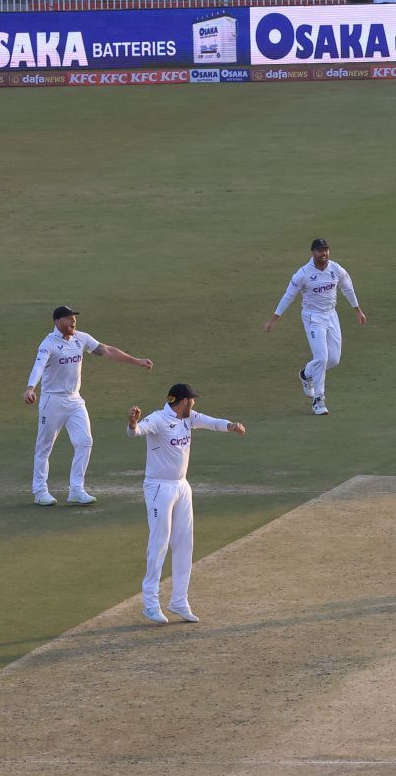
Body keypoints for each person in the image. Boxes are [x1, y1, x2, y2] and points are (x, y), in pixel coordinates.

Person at [126, 383, 246, 625]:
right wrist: (133, 423)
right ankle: (150, 603)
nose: (194, 403)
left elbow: (212, 422)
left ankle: (179, 600)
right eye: (191, 400)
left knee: (184, 543)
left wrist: (231, 426)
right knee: (159, 542)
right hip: (159, 487)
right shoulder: (158, 419)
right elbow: (137, 433)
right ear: (181, 401)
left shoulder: (189, 418)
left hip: (182, 486)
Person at [24, 306, 154, 506]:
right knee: (44, 446)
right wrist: (31, 388)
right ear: (57, 321)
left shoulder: (81, 338)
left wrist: (136, 361)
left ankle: (76, 489)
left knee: (85, 442)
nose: (73, 322)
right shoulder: (48, 343)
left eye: (74, 318)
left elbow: (107, 350)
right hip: (52, 400)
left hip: (75, 400)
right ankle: (40, 491)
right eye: (69, 318)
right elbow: (38, 366)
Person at [264, 238, 366, 414]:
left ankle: (306, 374)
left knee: (333, 359)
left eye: (326, 250)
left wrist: (357, 310)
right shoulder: (302, 274)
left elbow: (347, 288)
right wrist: (274, 319)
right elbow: (288, 296)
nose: (324, 253)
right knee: (322, 358)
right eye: (320, 251)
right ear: (313, 253)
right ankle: (319, 401)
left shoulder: (336, 269)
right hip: (313, 318)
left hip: (331, 315)